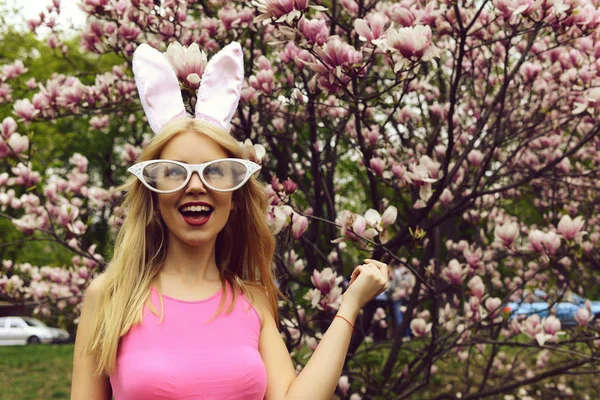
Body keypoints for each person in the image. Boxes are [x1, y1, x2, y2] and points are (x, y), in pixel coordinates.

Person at [70, 42, 389, 400]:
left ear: (235, 198)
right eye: (174, 173)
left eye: (216, 173)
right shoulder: (111, 296)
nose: (195, 186)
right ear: (154, 195)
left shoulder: (252, 299)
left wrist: (349, 305)